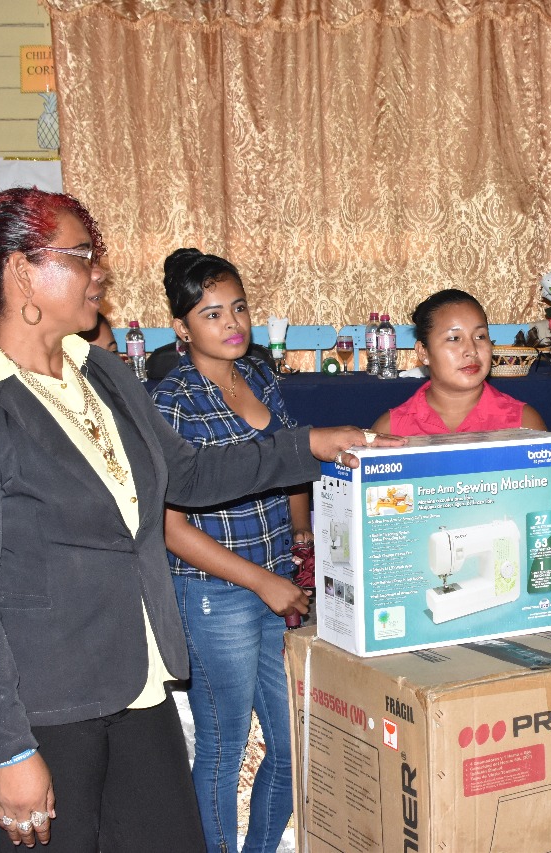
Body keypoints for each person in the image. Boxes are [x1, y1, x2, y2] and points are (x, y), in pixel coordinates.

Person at [0, 187, 397, 852]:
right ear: (22, 271)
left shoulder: (100, 371)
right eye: (82, 256)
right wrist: (11, 749)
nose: (100, 271)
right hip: (38, 702)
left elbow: (186, 474)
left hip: (133, 684)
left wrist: (309, 445)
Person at [151, 248, 317, 853]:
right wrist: (260, 581)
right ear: (181, 328)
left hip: (277, 580)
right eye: (212, 313)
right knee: (222, 746)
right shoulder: (171, 400)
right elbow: (168, 526)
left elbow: (289, 457)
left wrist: (299, 528)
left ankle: (260, 847)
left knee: (293, 740)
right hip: (216, 593)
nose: (232, 324)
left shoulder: (262, 377)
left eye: (239, 307)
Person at [371, 288, 546, 434]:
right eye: (454, 338)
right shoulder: (390, 431)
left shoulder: (524, 424)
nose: (471, 350)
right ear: (423, 352)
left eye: (480, 336)